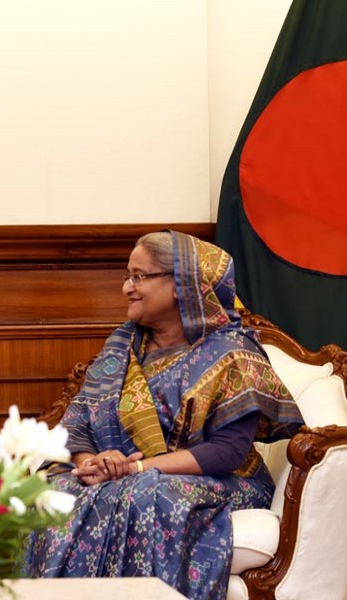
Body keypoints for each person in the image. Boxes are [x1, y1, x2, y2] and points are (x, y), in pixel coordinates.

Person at [26, 231, 303, 599]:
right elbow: (77, 422)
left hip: (219, 481)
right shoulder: (122, 345)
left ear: (180, 283)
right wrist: (93, 463)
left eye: (139, 276)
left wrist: (135, 468)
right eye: (127, 276)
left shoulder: (233, 352)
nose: (127, 287)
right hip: (120, 475)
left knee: (146, 494)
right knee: (51, 491)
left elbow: (227, 452)